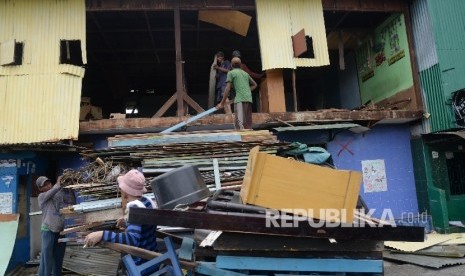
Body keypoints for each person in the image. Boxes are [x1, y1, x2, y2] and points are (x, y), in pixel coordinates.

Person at [84, 169, 158, 275]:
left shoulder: (134, 208)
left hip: (142, 266)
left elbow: (132, 239)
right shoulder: (147, 201)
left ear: (125, 190)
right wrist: (127, 222)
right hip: (152, 261)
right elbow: (144, 227)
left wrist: (102, 234)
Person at [216, 57, 258, 130]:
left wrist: (222, 103)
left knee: (239, 125)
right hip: (248, 99)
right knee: (247, 125)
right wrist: (247, 91)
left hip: (240, 101)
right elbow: (255, 85)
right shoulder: (245, 74)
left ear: (231, 65)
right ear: (240, 65)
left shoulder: (231, 73)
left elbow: (227, 88)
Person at [37, 175, 66, 276]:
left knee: (58, 258)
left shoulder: (58, 194)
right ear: (40, 189)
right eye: (44, 185)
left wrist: (69, 186)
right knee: (47, 259)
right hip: (47, 230)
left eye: (48, 183)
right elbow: (52, 192)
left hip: (61, 231)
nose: (48, 186)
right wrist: (58, 184)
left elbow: (70, 202)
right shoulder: (41, 197)